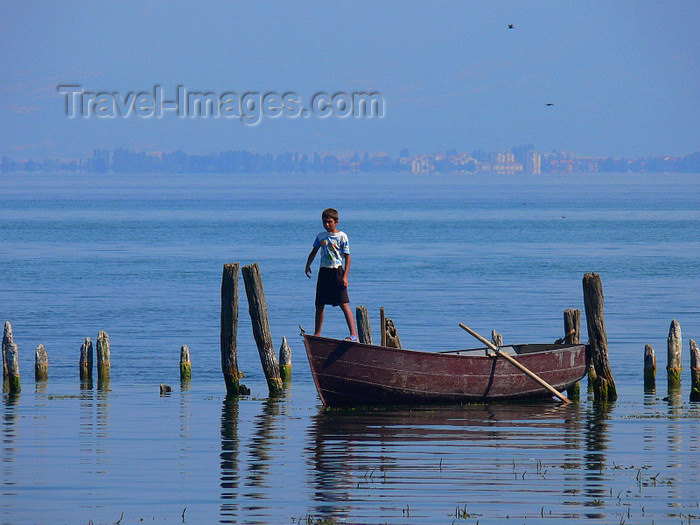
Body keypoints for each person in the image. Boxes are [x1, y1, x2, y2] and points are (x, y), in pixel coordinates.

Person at [305, 208, 358, 341]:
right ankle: (317, 333)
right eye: (324, 222)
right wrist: (308, 265)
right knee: (319, 303)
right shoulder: (321, 236)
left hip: (337, 271)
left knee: (343, 303)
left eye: (329, 222)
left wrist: (345, 276)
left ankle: (353, 334)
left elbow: (347, 257)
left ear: (336, 222)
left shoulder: (342, 237)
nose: (327, 225)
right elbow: (314, 251)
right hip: (324, 271)